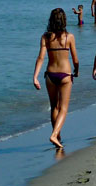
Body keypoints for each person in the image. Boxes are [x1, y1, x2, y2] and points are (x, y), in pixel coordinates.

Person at [32, 8, 79, 150]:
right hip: (65, 75)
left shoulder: (46, 37)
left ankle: (58, 137)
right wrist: (76, 71)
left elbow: (41, 58)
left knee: (54, 107)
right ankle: (54, 135)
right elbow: (75, 59)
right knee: (63, 108)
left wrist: (35, 77)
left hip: (50, 75)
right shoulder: (69, 37)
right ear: (64, 20)